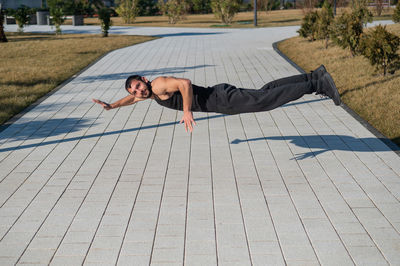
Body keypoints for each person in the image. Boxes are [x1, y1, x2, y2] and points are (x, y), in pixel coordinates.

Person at [93, 65, 341, 133]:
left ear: (144, 80)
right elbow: (130, 101)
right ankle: (312, 76)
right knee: (264, 93)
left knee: (265, 101)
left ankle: (316, 83)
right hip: (220, 97)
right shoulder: (148, 93)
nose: (138, 92)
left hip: (220, 99)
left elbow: (185, 84)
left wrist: (186, 111)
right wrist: (112, 106)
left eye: (138, 86)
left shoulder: (158, 85)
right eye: (134, 91)